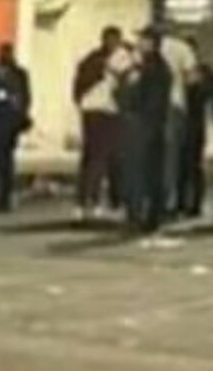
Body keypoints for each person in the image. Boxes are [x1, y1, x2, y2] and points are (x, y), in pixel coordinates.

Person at [118, 29, 173, 233]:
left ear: (152, 43)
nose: (139, 44)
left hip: (148, 127)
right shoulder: (142, 67)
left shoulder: (157, 69)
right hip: (141, 125)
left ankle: (148, 216)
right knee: (140, 173)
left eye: (143, 40)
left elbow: (152, 101)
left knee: (147, 174)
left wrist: (143, 120)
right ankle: (139, 214)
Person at [73, 27, 130, 220]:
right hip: (98, 110)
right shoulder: (96, 60)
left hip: (106, 110)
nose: (113, 44)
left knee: (106, 157)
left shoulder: (118, 58)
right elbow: (81, 84)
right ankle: (90, 200)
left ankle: (103, 200)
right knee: (97, 156)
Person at [0, 42, 32, 214]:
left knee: (3, 160)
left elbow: (24, 98)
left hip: (7, 123)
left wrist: (19, 113)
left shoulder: (18, 74)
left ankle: (3, 197)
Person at [160, 31, 198, 213]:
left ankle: (156, 199)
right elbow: (192, 79)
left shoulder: (142, 48)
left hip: (149, 109)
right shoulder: (181, 48)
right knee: (171, 155)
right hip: (174, 106)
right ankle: (170, 199)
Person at [176, 47, 213, 218]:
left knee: (193, 166)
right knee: (181, 166)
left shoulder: (202, 74)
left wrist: (195, 84)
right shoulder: (179, 74)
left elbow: (207, 94)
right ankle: (181, 202)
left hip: (195, 125)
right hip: (182, 124)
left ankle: (194, 204)